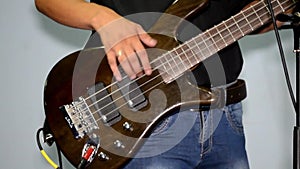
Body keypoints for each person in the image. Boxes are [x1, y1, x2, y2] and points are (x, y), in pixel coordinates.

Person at [34, 0, 288, 168]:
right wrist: (104, 19)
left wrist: (265, 15)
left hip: (225, 117)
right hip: (144, 118)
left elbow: (232, 12)